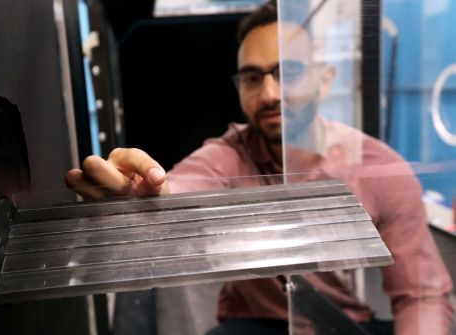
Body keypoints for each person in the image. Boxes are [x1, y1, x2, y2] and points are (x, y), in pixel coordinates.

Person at [66, 1, 453, 334]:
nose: (269, 93)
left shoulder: (376, 166)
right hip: (259, 324)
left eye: (288, 72)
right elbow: (183, 186)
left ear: (325, 79)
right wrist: (148, 194)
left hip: (344, 323)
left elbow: (420, 293)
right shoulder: (231, 154)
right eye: (253, 77)